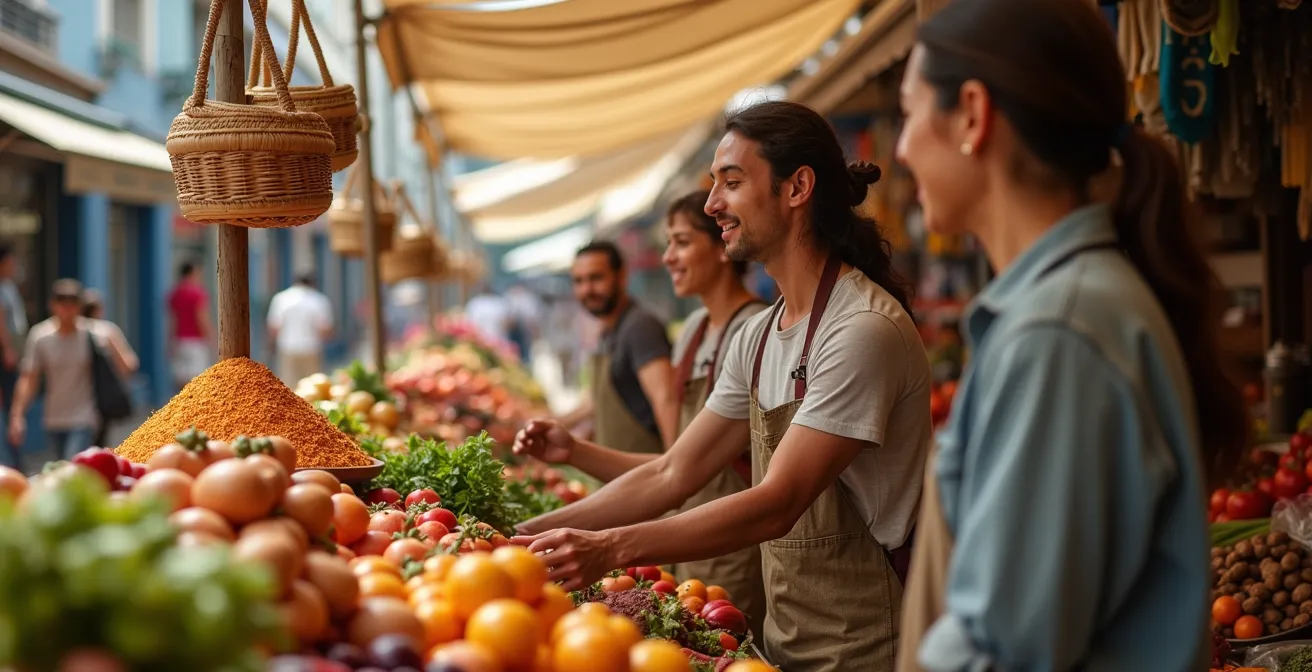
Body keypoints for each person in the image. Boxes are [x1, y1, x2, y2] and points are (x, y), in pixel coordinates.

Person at [890, 1, 1249, 670]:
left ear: (972, 114)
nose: (901, 146)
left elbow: (1006, 652)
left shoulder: (1058, 335)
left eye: (910, 112)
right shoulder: (1066, 312)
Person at [512, 101, 932, 671]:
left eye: (730, 183)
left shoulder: (860, 330)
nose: (712, 205)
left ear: (797, 188)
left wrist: (609, 547)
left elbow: (778, 502)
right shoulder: (758, 336)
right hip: (785, 638)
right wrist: (523, 535)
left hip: (869, 645)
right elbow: (671, 472)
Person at [516, 190, 770, 636]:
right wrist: (573, 450)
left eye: (681, 242)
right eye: (667, 243)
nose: (668, 257)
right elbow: (672, 467)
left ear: (724, 243)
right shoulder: (693, 330)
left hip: (732, 550)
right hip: (680, 542)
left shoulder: (753, 333)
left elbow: (678, 472)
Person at [557, 241, 679, 454]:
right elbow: (596, 401)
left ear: (622, 276)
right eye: (579, 281)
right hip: (625, 475)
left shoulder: (640, 328)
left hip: (648, 472)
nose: (587, 289)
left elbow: (666, 400)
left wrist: (677, 470)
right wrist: (556, 424)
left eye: (596, 278)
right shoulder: (609, 332)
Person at [8, 280, 126, 461]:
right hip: (53, 419)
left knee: (73, 464)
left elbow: (128, 365)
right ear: (53, 306)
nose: (67, 312)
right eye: (63, 306)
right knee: (61, 468)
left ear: (79, 307)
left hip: (85, 417)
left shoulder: (95, 334)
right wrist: (17, 415)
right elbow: (29, 379)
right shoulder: (41, 337)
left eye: (72, 306)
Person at [81, 289, 139, 448]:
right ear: (99, 310)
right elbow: (129, 364)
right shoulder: (105, 330)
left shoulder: (71, 333)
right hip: (99, 400)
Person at [267, 274, 334, 386]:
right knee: (312, 387)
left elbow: (274, 327)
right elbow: (324, 328)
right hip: (311, 348)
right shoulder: (319, 299)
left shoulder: (281, 298)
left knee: (289, 386)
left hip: (287, 348)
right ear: (312, 284)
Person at [0, 247, 26, 469]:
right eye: (10, 262)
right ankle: (10, 463)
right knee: (9, 408)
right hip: (5, 358)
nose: (14, 267)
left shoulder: (8, 286)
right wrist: (7, 350)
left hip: (13, 354)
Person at [167, 261, 212, 389]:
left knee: (180, 377)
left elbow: (172, 320)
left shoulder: (175, 294)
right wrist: (210, 336)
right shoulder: (198, 293)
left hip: (179, 340)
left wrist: (170, 342)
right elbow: (201, 318)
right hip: (196, 341)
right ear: (192, 273)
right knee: (198, 378)